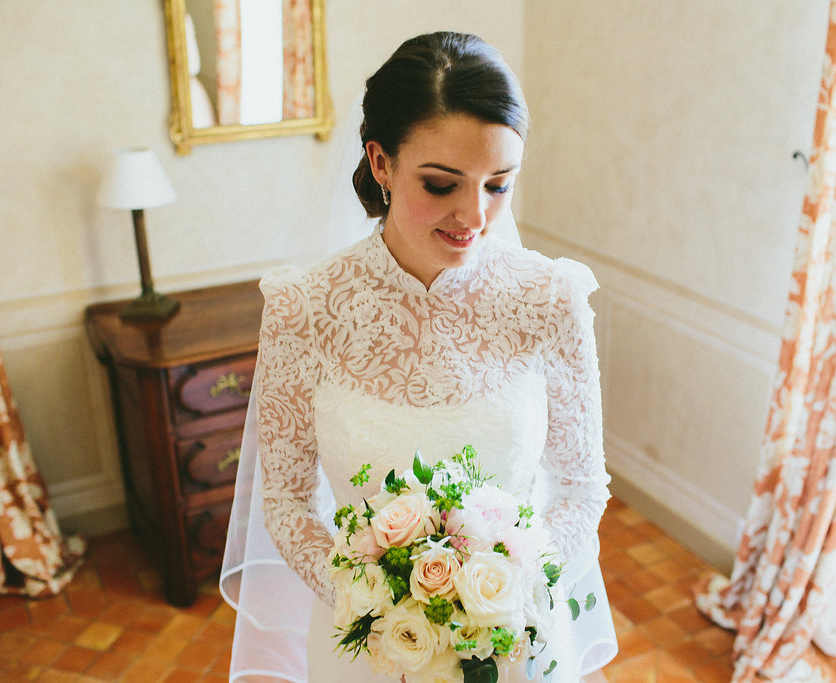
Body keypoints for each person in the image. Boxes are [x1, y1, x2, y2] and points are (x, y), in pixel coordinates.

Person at [221, 31, 618, 682]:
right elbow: (288, 504)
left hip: (511, 637)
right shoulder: (303, 308)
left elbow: (580, 488)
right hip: (367, 642)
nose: (475, 215)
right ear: (380, 163)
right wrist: (382, 603)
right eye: (441, 184)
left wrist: (505, 593)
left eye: (499, 184)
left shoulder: (551, 298)